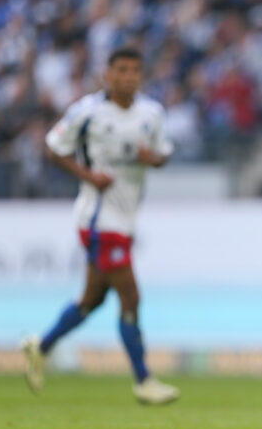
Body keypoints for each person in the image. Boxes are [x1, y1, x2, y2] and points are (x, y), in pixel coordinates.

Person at [22, 47, 179, 406]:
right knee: (131, 297)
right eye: (121, 70)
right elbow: (52, 147)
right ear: (106, 75)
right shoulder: (87, 112)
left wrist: (152, 159)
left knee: (91, 300)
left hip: (125, 219)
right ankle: (143, 380)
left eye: (135, 71)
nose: (128, 77)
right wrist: (88, 175)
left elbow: (163, 154)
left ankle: (40, 347)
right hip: (97, 219)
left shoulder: (151, 113)